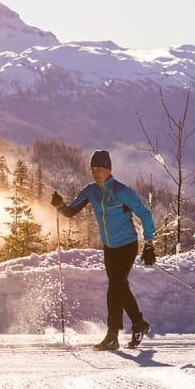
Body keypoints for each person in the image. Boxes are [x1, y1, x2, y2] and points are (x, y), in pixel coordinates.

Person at [51, 149, 157, 350]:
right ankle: (139, 324)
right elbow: (71, 211)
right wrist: (59, 205)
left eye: (100, 168)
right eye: (93, 168)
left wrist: (149, 243)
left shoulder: (121, 191)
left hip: (127, 246)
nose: (95, 172)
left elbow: (144, 214)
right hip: (109, 248)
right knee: (120, 287)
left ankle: (112, 336)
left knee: (114, 288)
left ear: (109, 169)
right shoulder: (90, 191)